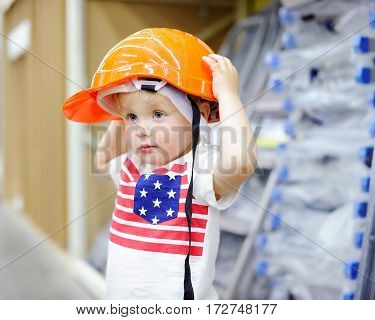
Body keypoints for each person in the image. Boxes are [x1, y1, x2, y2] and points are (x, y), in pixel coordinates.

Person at [62, 28, 257, 299]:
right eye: (132, 118)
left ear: (198, 113)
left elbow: (241, 162)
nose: (142, 129)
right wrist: (121, 107)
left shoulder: (198, 170)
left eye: (157, 114)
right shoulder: (132, 167)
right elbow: (103, 157)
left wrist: (228, 96)